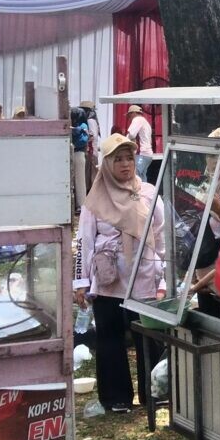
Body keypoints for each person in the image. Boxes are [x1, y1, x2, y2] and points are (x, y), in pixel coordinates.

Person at [75, 133, 167, 413]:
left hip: (144, 278)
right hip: (108, 280)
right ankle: (116, 398)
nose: (125, 164)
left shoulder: (148, 193)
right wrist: (80, 282)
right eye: (118, 159)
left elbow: (160, 239)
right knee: (110, 337)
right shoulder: (95, 200)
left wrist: (162, 278)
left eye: (129, 158)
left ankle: (154, 393)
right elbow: (84, 242)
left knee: (148, 337)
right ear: (107, 163)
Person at [125, 105, 155, 180]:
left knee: (135, 177)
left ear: (133, 113)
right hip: (147, 155)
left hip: (141, 154)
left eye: (129, 115)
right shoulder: (145, 121)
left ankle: (136, 192)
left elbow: (131, 134)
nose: (129, 118)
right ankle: (145, 191)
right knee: (142, 178)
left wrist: (123, 140)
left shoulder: (137, 119)